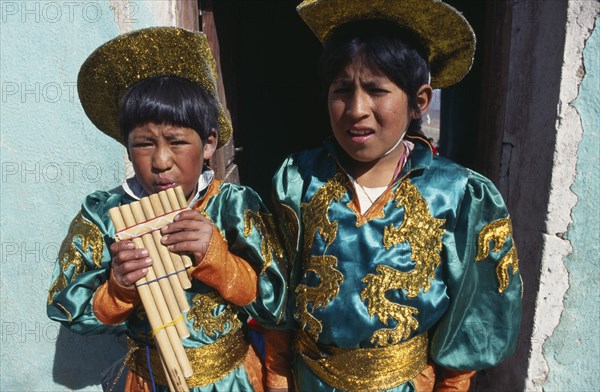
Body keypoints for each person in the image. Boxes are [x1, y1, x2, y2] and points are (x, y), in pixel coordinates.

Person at [271, 0, 523, 390]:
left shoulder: (457, 193)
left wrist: (452, 384)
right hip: (311, 380)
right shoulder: (299, 181)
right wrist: (277, 375)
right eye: (342, 90)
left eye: (376, 90)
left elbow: (476, 306)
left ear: (419, 101)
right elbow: (278, 286)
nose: (357, 109)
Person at [47, 27, 287, 392]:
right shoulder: (104, 214)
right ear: (127, 149)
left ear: (208, 144)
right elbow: (65, 306)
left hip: (230, 380)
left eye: (176, 142)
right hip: (147, 380)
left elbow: (279, 304)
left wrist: (220, 261)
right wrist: (119, 289)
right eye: (144, 144)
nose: (161, 161)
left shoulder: (234, 205)